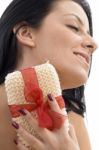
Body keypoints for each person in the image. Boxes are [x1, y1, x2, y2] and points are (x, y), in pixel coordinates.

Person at [0, 0, 97, 150]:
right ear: (26, 34)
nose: (93, 44)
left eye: (89, 33)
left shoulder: (71, 124)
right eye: (74, 27)